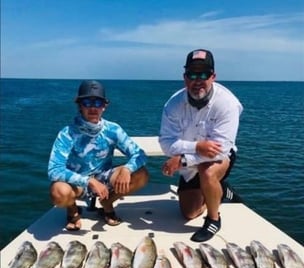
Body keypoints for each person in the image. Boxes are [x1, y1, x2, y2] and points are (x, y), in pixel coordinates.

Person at [159, 49, 243, 242]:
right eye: (192, 74)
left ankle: (213, 219)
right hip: (191, 160)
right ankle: (222, 192)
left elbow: (220, 149)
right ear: (184, 77)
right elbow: (165, 143)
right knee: (188, 213)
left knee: (208, 172)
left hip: (219, 158)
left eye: (204, 74)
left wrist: (182, 159)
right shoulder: (173, 104)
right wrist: (196, 147)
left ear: (213, 76)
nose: (198, 80)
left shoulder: (227, 103)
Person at [48, 80, 149, 230]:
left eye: (98, 103)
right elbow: (54, 170)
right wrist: (88, 181)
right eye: (87, 102)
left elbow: (139, 154)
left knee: (141, 174)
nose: (93, 108)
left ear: (104, 106)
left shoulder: (113, 129)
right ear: (80, 105)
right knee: (58, 191)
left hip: (105, 179)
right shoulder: (67, 134)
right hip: (78, 185)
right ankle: (72, 209)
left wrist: (127, 169)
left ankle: (107, 203)